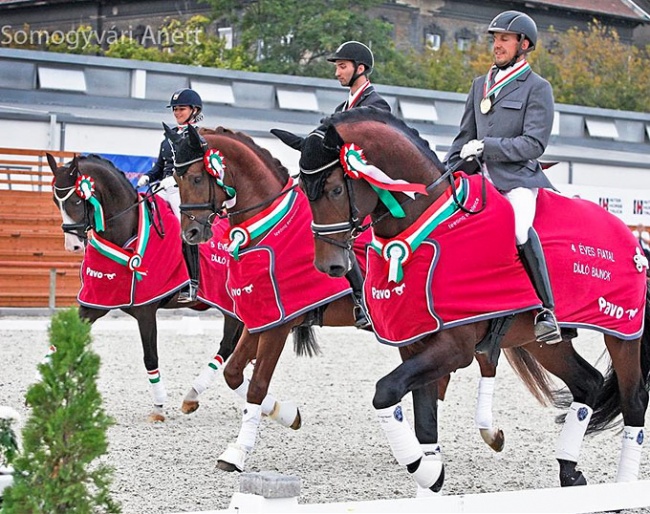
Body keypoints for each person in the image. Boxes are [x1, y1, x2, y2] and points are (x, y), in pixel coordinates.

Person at [445, 11, 561, 344]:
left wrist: (487, 147)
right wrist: (446, 169)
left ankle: (545, 311)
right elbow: (463, 135)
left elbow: (534, 143)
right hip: (477, 180)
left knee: (519, 228)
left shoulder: (538, 88)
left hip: (517, 179)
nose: (497, 45)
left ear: (524, 45)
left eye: (504, 39)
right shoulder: (480, 84)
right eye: (495, 39)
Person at [327, 41, 390, 328]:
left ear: (360, 69)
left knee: (339, 230)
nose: (337, 72)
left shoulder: (376, 105)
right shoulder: (342, 107)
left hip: (371, 186)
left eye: (343, 67)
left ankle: (362, 300)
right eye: (338, 67)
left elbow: (376, 153)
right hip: (348, 184)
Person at [137, 87, 204, 303]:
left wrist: (174, 180)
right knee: (143, 221)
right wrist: (147, 177)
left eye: (181, 109)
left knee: (183, 229)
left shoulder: (198, 138)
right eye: (175, 109)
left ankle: (192, 283)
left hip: (183, 191)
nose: (177, 112)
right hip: (162, 188)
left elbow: (197, 169)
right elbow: (159, 167)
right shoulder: (167, 139)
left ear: (194, 110)